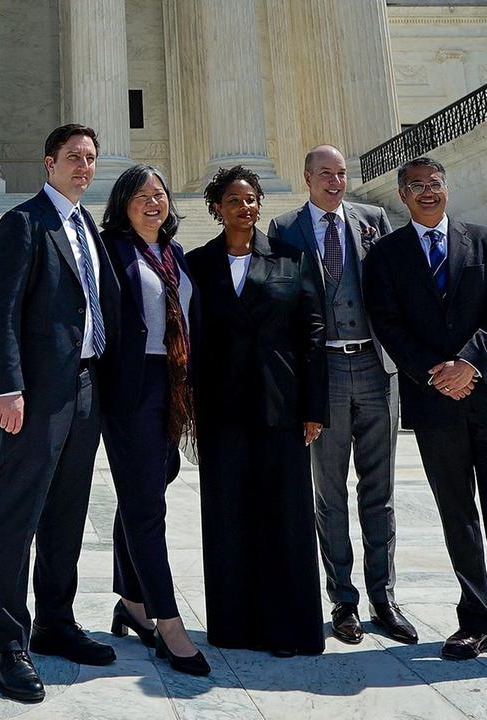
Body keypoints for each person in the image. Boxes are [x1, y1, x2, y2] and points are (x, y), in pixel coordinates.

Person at [0, 124, 119, 703]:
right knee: (17, 516)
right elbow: (1, 308)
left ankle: (55, 622)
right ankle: (6, 647)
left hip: (85, 387)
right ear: (48, 163)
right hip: (35, 396)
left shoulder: (87, 224)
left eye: (90, 158)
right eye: (73, 158)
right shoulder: (23, 222)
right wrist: (7, 388)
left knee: (67, 512)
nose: (83, 167)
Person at [269, 145, 415, 646]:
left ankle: (385, 597)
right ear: (306, 177)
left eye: (341, 173)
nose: (335, 181)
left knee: (381, 492)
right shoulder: (284, 229)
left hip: (376, 368)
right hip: (323, 370)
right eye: (325, 173)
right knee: (329, 495)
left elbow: (399, 286)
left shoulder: (374, 218)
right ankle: (343, 600)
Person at [188, 165, 327, 657]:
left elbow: (312, 335)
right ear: (217, 209)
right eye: (233, 201)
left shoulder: (292, 258)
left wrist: (313, 408)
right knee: (227, 517)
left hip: (280, 408)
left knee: (283, 518)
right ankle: (232, 626)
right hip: (222, 410)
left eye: (251, 200)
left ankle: (287, 628)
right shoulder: (197, 264)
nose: (244, 208)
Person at [363, 157, 487, 659]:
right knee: (457, 514)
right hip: (435, 401)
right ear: (401, 193)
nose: (427, 193)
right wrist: (437, 373)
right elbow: (388, 324)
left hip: (484, 388)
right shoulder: (385, 254)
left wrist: (470, 364)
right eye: (416, 186)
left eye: (434, 184)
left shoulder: (482, 240)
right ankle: (476, 618)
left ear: (446, 188)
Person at [98, 165, 209, 675]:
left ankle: (132, 602)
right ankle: (167, 620)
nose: (152, 201)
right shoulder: (110, 250)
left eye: (159, 193)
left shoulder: (176, 254)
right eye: (141, 194)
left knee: (151, 490)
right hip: (132, 387)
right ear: (123, 202)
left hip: (175, 385)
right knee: (146, 507)